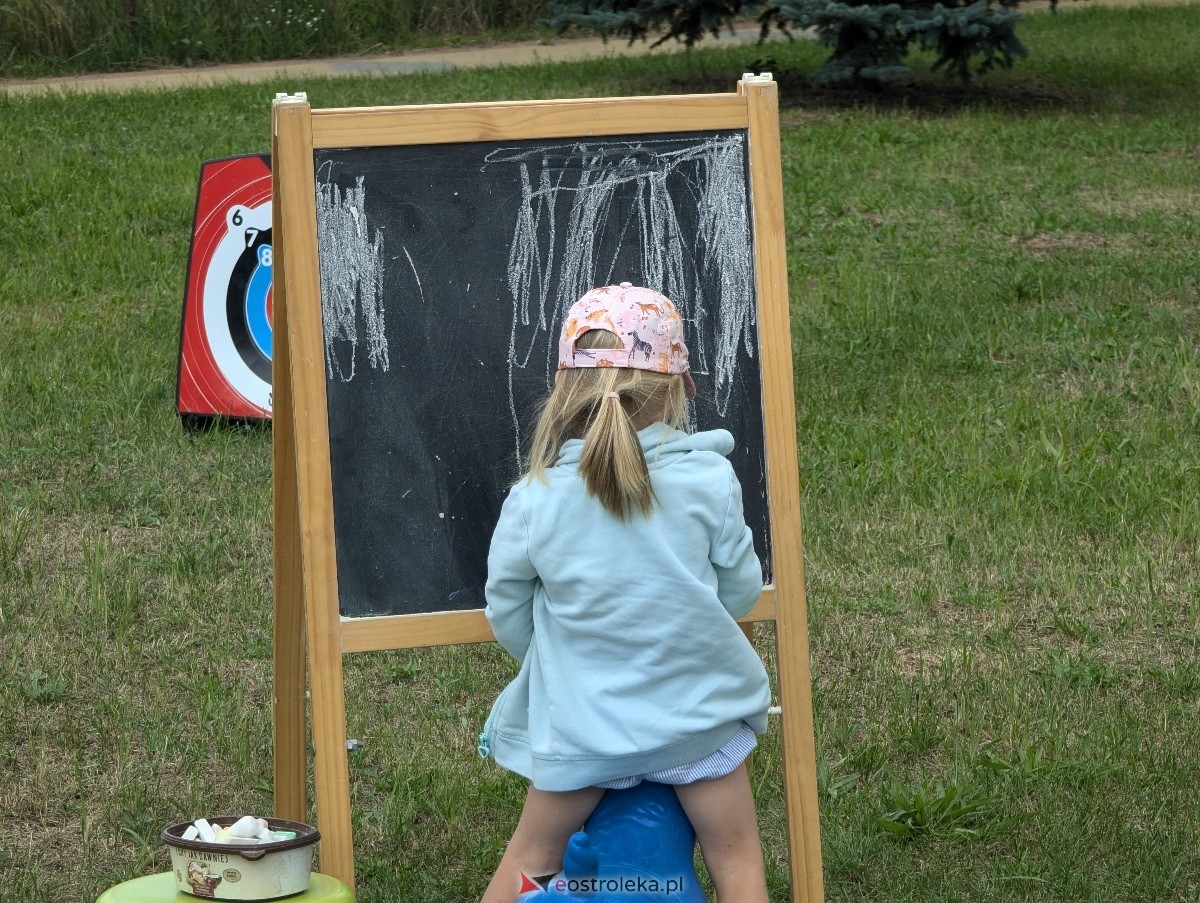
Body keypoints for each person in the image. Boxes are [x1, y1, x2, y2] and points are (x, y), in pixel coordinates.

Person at [477, 283, 771, 903]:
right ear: (680, 386)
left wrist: (553, 660)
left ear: (563, 390)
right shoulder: (710, 479)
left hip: (585, 738)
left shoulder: (535, 498)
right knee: (738, 863)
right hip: (699, 733)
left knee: (530, 860)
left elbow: (506, 608)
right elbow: (742, 593)